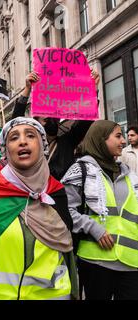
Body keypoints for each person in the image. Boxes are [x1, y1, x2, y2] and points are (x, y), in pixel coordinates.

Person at [0, 117, 78, 300]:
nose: (22, 141)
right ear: (5, 151)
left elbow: (68, 251)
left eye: (30, 135)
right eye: (14, 137)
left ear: (42, 146)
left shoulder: (56, 192)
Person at [61, 120, 138, 300]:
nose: (124, 141)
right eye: (118, 136)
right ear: (100, 139)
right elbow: (65, 211)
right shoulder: (80, 170)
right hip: (96, 262)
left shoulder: (130, 175)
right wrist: (94, 228)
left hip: (132, 263)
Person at [11, 70, 99, 180]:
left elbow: (87, 119)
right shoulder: (29, 143)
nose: (51, 119)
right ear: (36, 121)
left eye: (54, 116)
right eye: (46, 117)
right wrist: (27, 89)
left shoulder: (67, 142)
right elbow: (15, 124)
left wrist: (93, 90)